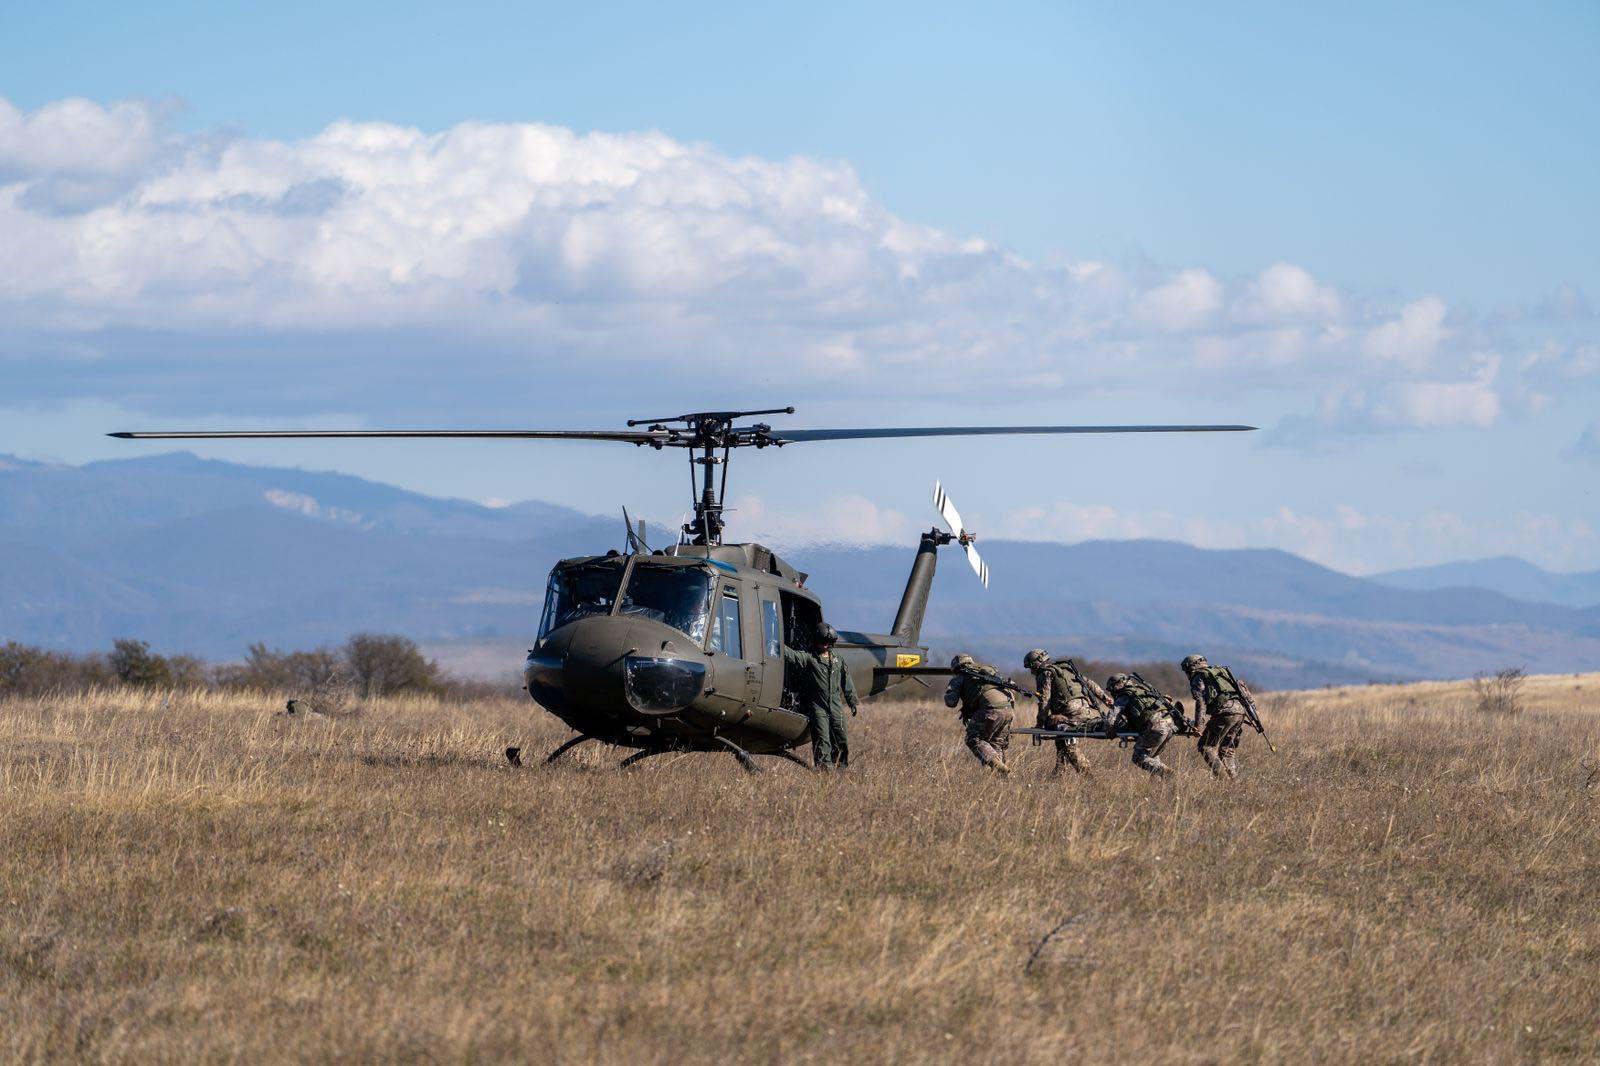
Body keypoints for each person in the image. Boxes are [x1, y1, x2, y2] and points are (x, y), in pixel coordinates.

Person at [781, 623, 858, 770]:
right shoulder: (810, 658)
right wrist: (777, 644)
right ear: (817, 641)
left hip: (836, 706)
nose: (826, 645)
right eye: (823, 642)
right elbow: (794, 656)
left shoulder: (838, 659)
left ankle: (841, 768)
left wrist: (852, 701)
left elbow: (846, 680)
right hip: (818, 707)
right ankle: (824, 770)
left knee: (841, 737)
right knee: (822, 740)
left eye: (829, 642)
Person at [1023, 649, 1111, 776]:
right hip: (1085, 711)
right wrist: (1106, 699)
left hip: (1069, 714)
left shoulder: (1045, 674)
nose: (1031, 672)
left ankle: (1087, 774)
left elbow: (1045, 701)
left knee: (1058, 729)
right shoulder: (1066, 669)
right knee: (1061, 738)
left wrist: (1040, 723)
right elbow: (1090, 684)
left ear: (1036, 664)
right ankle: (1059, 772)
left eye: (1031, 667)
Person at [1181, 654, 1253, 779]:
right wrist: (1252, 715)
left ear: (1191, 668)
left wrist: (1199, 726)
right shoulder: (1221, 673)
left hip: (1225, 714)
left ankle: (1223, 780)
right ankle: (1234, 782)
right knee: (1227, 750)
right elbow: (1246, 694)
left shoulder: (1198, 677)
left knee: (1206, 746)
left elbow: (1201, 702)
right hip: (1241, 712)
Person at [1104, 673, 1188, 777]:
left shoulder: (1124, 695)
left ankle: (1170, 775)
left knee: (1138, 757)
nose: (1112, 692)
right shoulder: (1142, 689)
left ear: (1117, 685)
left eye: (1111, 689)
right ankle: (1158, 782)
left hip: (1156, 728)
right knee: (1150, 756)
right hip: (1170, 724)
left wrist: (1109, 733)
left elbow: (1110, 720)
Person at [944, 654, 1014, 774]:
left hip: (990, 710)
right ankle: (1002, 777)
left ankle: (999, 767)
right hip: (1008, 709)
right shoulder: (989, 672)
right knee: (995, 743)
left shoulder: (961, 677)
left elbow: (951, 702)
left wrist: (950, 690)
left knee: (973, 739)